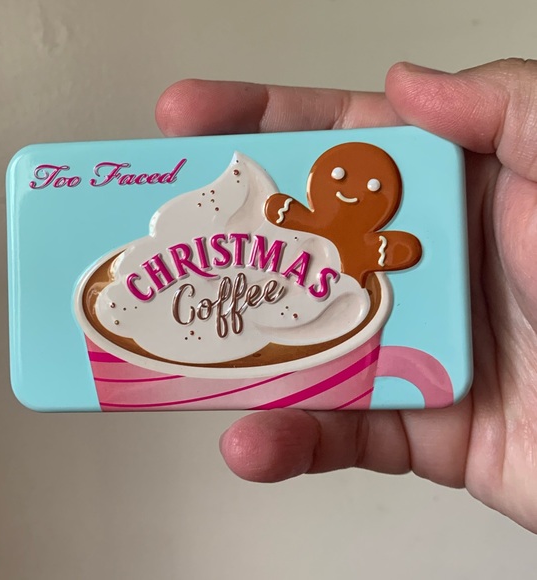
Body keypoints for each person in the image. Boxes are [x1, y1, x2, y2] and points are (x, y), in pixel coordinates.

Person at [155, 60, 537, 534]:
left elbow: (398, 247)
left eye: (373, 188)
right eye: (340, 178)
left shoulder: (378, 225)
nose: (354, 192)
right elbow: (301, 220)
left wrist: (387, 249)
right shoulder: (311, 225)